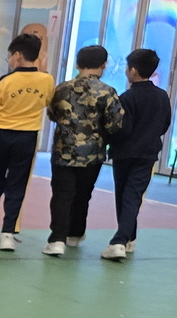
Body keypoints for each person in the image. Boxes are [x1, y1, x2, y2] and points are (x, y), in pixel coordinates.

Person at [42, 45, 123, 257]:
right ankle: (75, 234)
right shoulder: (107, 92)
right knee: (83, 194)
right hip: (93, 154)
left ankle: (56, 239)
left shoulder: (62, 88)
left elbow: (52, 114)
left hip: (63, 151)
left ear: (78, 64)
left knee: (61, 195)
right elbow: (115, 124)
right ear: (103, 65)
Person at [0, 34, 55, 252]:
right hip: (27, 137)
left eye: (10, 56)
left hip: (1, 135)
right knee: (17, 182)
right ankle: (8, 234)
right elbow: (49, 103)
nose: (9, 60)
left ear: (18, 56)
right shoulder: (47, 80)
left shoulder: (5, 81)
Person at [103, 48, 168, 261]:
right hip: (147, 154)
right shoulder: (162, 97)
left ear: (132, 71)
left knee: (124, 196)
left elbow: (121, 128)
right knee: (133, 196)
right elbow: (164, 124)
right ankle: (129, 237)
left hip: (124, 154)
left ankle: (119, 242)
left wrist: (110, 141)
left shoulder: (127, 98)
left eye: (127, 67)